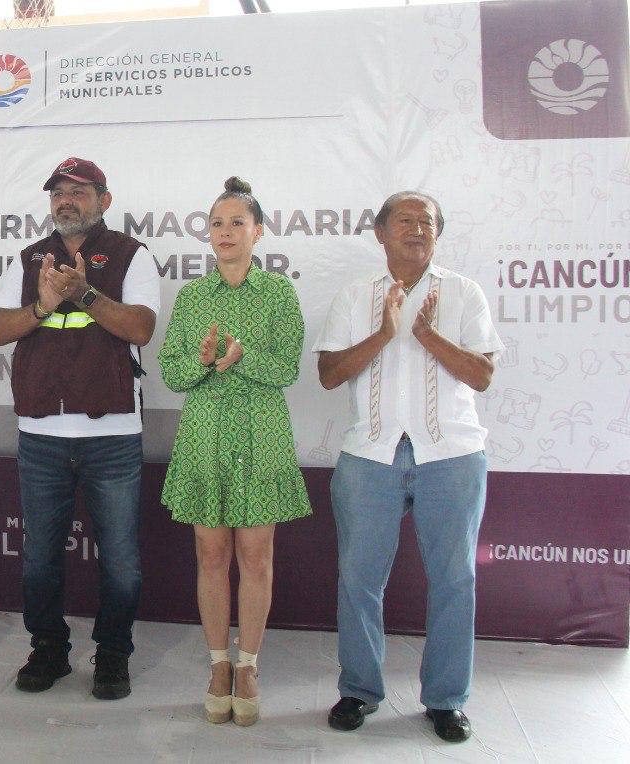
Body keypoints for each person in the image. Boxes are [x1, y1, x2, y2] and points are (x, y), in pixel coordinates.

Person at [315, 191, 502, 743]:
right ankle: (359, 690)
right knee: (359, 579)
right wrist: (384, 332)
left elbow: (483, 375)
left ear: (438, 234)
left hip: (452, 457)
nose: (417, 229)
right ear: (380, 233)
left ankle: (446, 700)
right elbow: (328, 374)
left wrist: (427, 336)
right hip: (370, 455)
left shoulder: (463, 292)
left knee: (454, 580)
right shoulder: (356, 296)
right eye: (405, 221)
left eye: (427, 222)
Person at [0, 157, 158, 701]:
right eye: (58, 192)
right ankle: (48, 649)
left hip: (112, 435)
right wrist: (42, 304)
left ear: (104, 200)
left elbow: (141, 328)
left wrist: (84, 293)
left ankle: (113, 654)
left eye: (79, 191)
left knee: (121, 562)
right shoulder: (28, 259)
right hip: (41, 435)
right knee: (39, 559)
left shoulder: (131, 254)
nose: (66, 200)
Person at [158, 177, 311, 726]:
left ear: (258, 231)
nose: (225, 233)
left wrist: (243, 358)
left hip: (261, 435)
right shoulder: (193, 297)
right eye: (217, 223)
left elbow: (288, 368)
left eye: (237, 223)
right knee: (210, 555)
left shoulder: (278, 293)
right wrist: (202, 361)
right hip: (205, 435)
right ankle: (218, 662)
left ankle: (249, 665)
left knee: (256, 555)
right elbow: (172, 371)